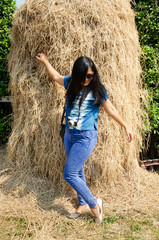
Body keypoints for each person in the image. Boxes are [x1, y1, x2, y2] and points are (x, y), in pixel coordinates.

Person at [36, 53, 132, 224]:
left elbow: (110, 110)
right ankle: (82, 204)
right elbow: (56, 76)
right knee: (77, 170)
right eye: (84, 76)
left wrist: (125, 126)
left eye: (90, 75)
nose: (87, 79)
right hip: (69, 134)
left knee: (69, 173)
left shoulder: (98, 89)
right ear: (77, 74)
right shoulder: (71, 82)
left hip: (86, 137)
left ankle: (95, 205)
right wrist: (46, 62)